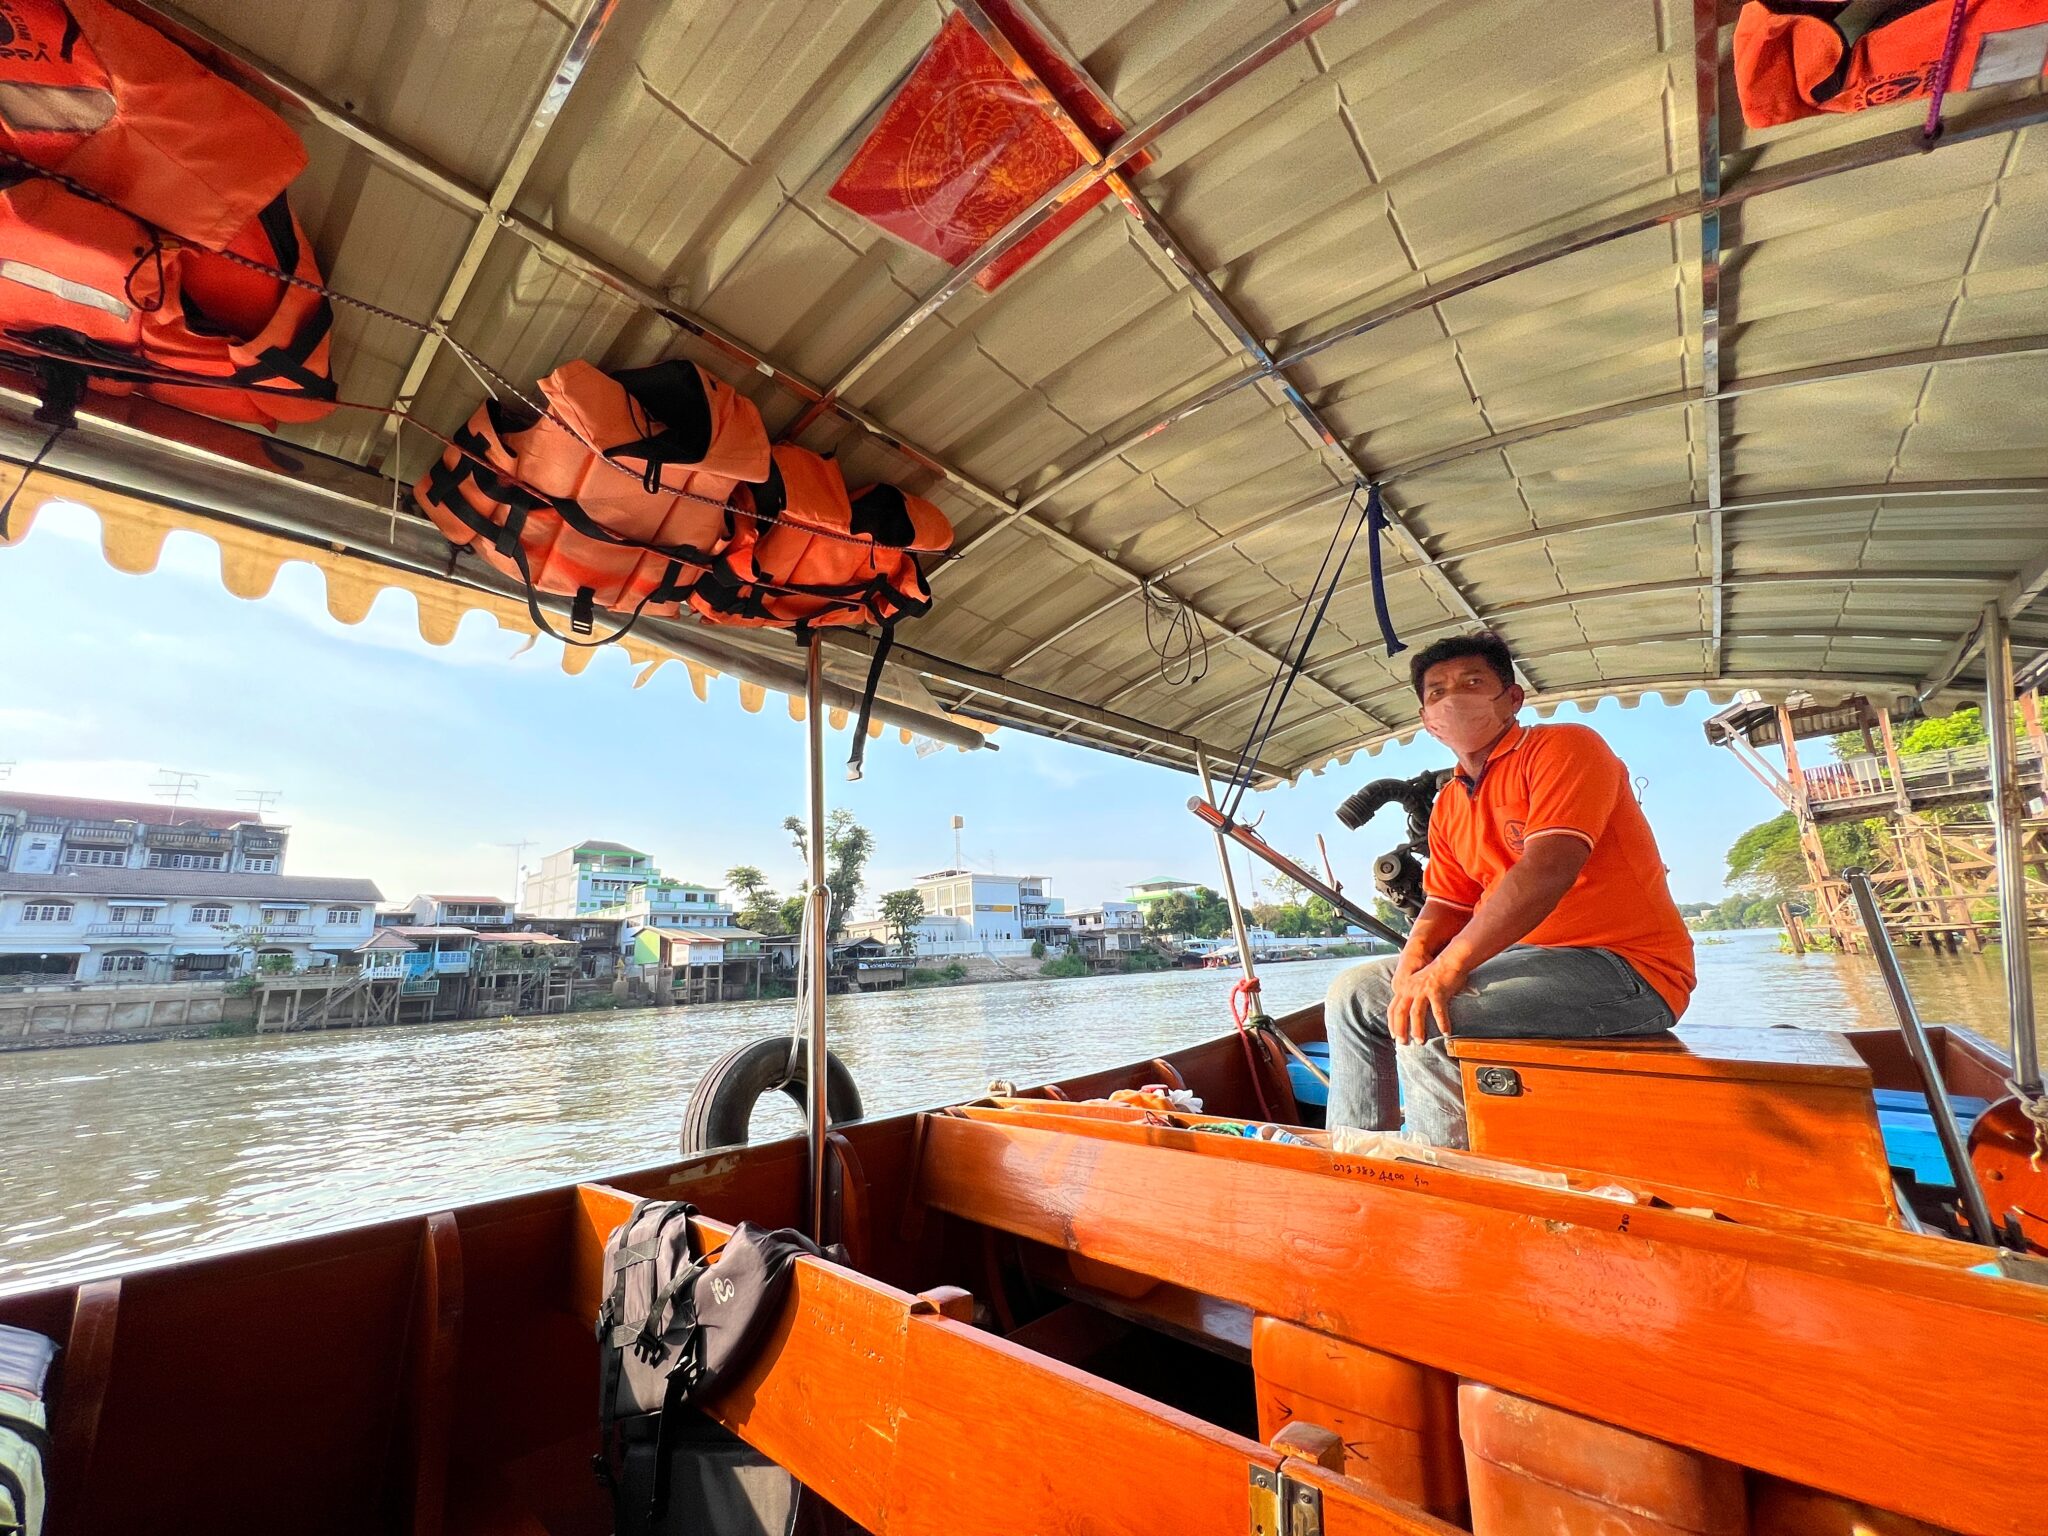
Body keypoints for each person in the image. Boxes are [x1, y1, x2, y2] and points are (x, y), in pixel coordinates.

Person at [1326, 631, 1694, 1147]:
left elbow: (1547, 869)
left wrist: (1446, 970)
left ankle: (1445, 1174)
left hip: (1628, 971)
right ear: (1427, 720)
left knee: (1432, 1016)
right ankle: (1359, 1154)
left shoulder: (1564, 746)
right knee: (1353, 994)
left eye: (1472, 682)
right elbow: (1445, 904)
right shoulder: (1450, 803)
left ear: (1513, 698)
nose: (1454, 698)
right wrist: (1413, 967)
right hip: (1529, 964)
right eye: (1437, 692)